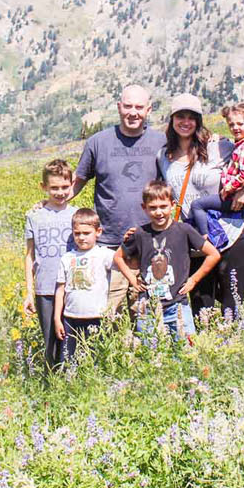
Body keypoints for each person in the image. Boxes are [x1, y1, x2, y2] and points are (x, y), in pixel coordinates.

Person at [159, 94, 244, 319]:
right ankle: (207, 353)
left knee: (233, 307)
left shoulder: (220, 146)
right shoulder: (163, 156)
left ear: (199, 121)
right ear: (172, 120)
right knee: (201, 309)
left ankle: (233, 353)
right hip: (196, 241)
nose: (185, 122)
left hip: (232, 234)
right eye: (180, 116)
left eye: (192, 117)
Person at [70, 84, 166, 316]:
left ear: (149, 109)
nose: (133, 112)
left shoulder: (161, 141)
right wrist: (52, 204)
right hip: (107, 244)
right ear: (119, 107)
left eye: (139, 107)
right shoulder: (98, 142)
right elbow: (78, 180)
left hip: (151, 240)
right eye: (128, 106)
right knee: (108, 312)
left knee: (148, 312)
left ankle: (144, 352)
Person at [115, 180, 219, 347]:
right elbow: (118, 257)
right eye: (153, 208)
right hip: (147, 308)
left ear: (172, 205)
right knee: (150, 354)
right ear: (144, 208)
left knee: (186, 352)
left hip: (178, 305)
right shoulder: (140, 233)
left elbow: (213, 254)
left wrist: (193, 280)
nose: (159, 212)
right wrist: (133, 280)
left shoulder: (183, 230)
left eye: (163, 206)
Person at [186, 97, 244, 238]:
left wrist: (228, 188)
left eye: (240, 124)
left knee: (197, 205)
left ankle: (205, 239)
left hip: (233, 194)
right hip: (235, 193)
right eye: (231, 125)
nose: (235, 128)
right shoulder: (242, 143)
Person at [23, 159, 77, 369]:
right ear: (43, 187)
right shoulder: (34, 216)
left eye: (65, 187)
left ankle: (72, 381)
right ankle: (52, 384)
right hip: (45, 288)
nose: (60, 192)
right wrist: (29, 292)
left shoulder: (77, 214)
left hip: (73, 288)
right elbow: (29, 256)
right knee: (50, 343)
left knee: (71, 340)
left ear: (72, 184)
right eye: (54, 188)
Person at [53, 208, 116, 367]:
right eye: (77, 233)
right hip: (70, 317)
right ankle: (68, 388)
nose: (81, 237)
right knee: (67, 361)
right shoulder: (67, 258)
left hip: (97, 316)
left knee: (96, 360)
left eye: (86, 233)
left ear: (98, 232)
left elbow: (124, 262)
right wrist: (57, 318)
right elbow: (60, 290)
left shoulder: (104, 255)